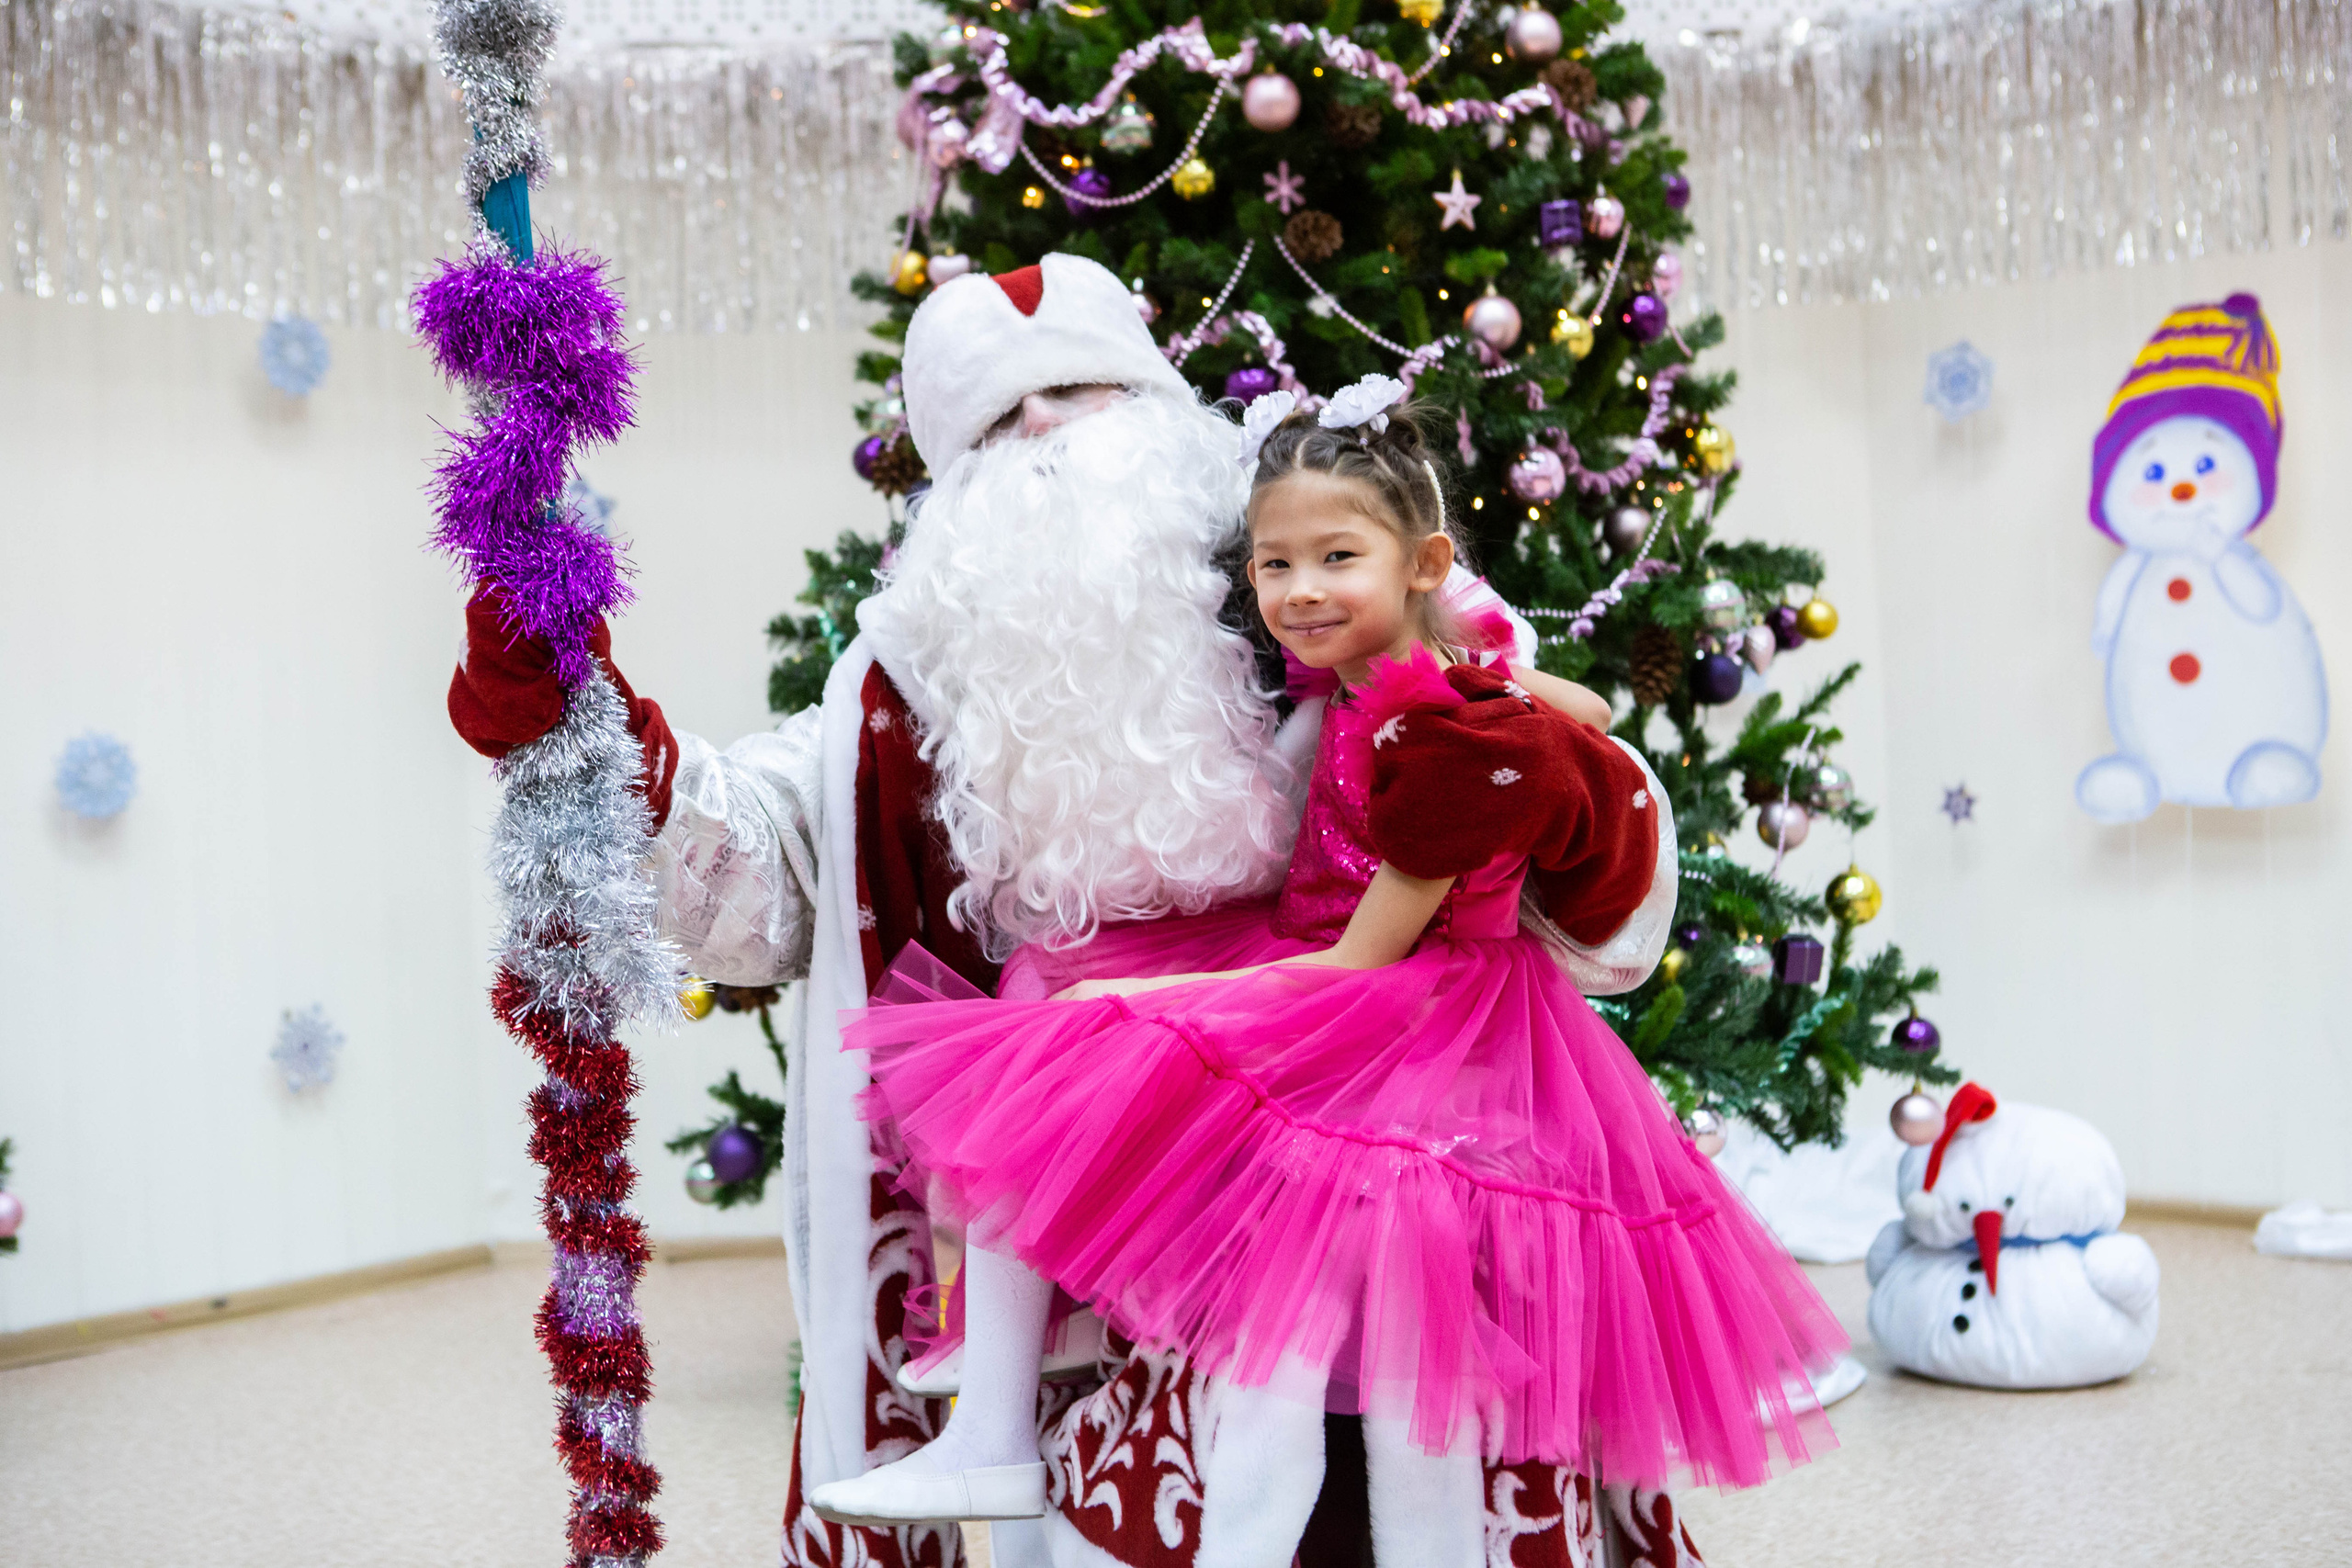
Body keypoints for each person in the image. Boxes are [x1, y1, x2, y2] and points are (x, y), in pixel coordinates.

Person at [450, 255, 1703, 1568]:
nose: (1045, 427)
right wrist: (585, 731)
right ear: (949, 482)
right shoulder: (916, 673)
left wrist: (1579, 808)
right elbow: (760, 875)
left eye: (1084, 386)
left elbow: (1579, 864)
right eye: (995, 417)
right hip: (1133, 1289)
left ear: (1163, 403)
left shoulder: (1314, 589)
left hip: (1427, 1172)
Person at [813, 380, 1848, 1551]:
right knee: (1060, 1045)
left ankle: (1047, 1453)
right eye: (1273, 567)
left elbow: (1362, 960)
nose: (1299, 594)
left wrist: (1147, 996)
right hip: (1344, 969)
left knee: (1185, 1187)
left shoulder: (1442, 742)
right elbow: (1590, 700)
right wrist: (1462, 633)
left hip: (1411, 1012)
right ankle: (993, 1436)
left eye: (1336, 559)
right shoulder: (1364, 679)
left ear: (1420, 560)